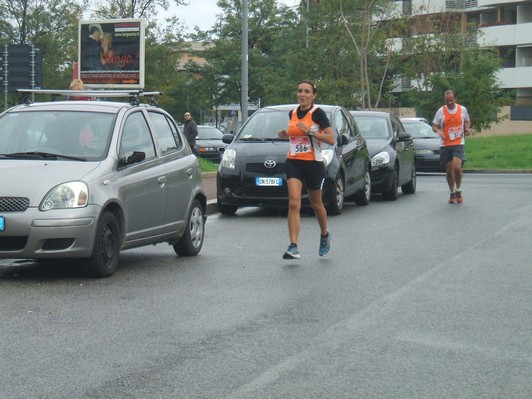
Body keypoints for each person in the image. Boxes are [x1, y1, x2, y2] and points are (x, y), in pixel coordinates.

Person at [278, 80, 336, 259]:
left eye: (307, 92)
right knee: (294, 202)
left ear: (313, 95)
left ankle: (325, 234)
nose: (302, 94)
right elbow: (295, 135)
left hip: (313, 163)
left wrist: (310, 132)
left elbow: (331, 139)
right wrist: (285, 135)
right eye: (300, 91)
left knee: (316, 205)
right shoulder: (292, 112)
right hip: (294, 161)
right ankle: (293, 246)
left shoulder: (317, 114)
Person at [432, 90, 471, 204]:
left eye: (451, 100)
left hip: (458, 142)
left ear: (455, 99)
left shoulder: (462, 109)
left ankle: (459, 190)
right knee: (449, 171)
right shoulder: (441, 111)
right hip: (445, 144)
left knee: (457, 167)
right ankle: (452, 192)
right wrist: (438, 130)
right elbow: (434, 125)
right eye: (447, 100)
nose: (449, 103)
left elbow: (467, 121)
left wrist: (467, 129)